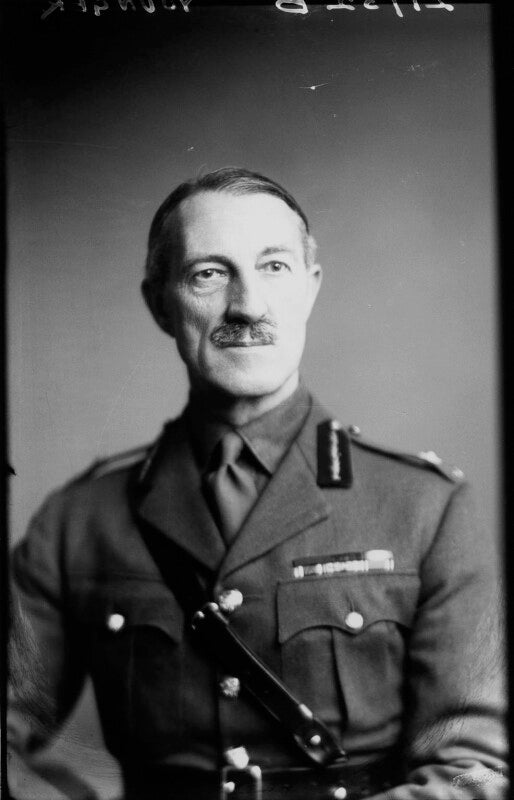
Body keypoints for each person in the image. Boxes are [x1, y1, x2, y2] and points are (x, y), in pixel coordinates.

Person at [8, 168, 508, 799]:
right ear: (160, 303)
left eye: (274, 267)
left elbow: (476, 766)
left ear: (311, 287)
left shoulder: (426, 509)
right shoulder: (78, 521)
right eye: (209, 274)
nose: (247, 306)